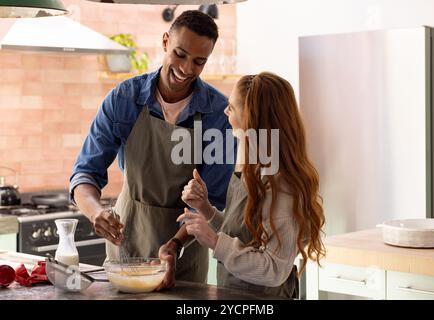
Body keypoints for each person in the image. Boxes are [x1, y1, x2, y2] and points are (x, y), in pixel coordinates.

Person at [69, 10, 235, 285]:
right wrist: (96, 212)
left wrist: (175, 245)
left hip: (184, 253)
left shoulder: (218, 114)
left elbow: (213, 200)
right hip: (126, 243)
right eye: (180, 54)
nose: (186, 68)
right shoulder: (124, 99)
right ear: (165, 41)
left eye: (199, 62)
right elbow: (85, 172)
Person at [175, 72, 326, 298]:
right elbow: (245, 235)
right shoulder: (253, 166)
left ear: (253, 120)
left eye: (232, 108)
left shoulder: (283, 186)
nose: (225, 112)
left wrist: (215, 242)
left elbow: (274, 268)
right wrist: (206, 209)